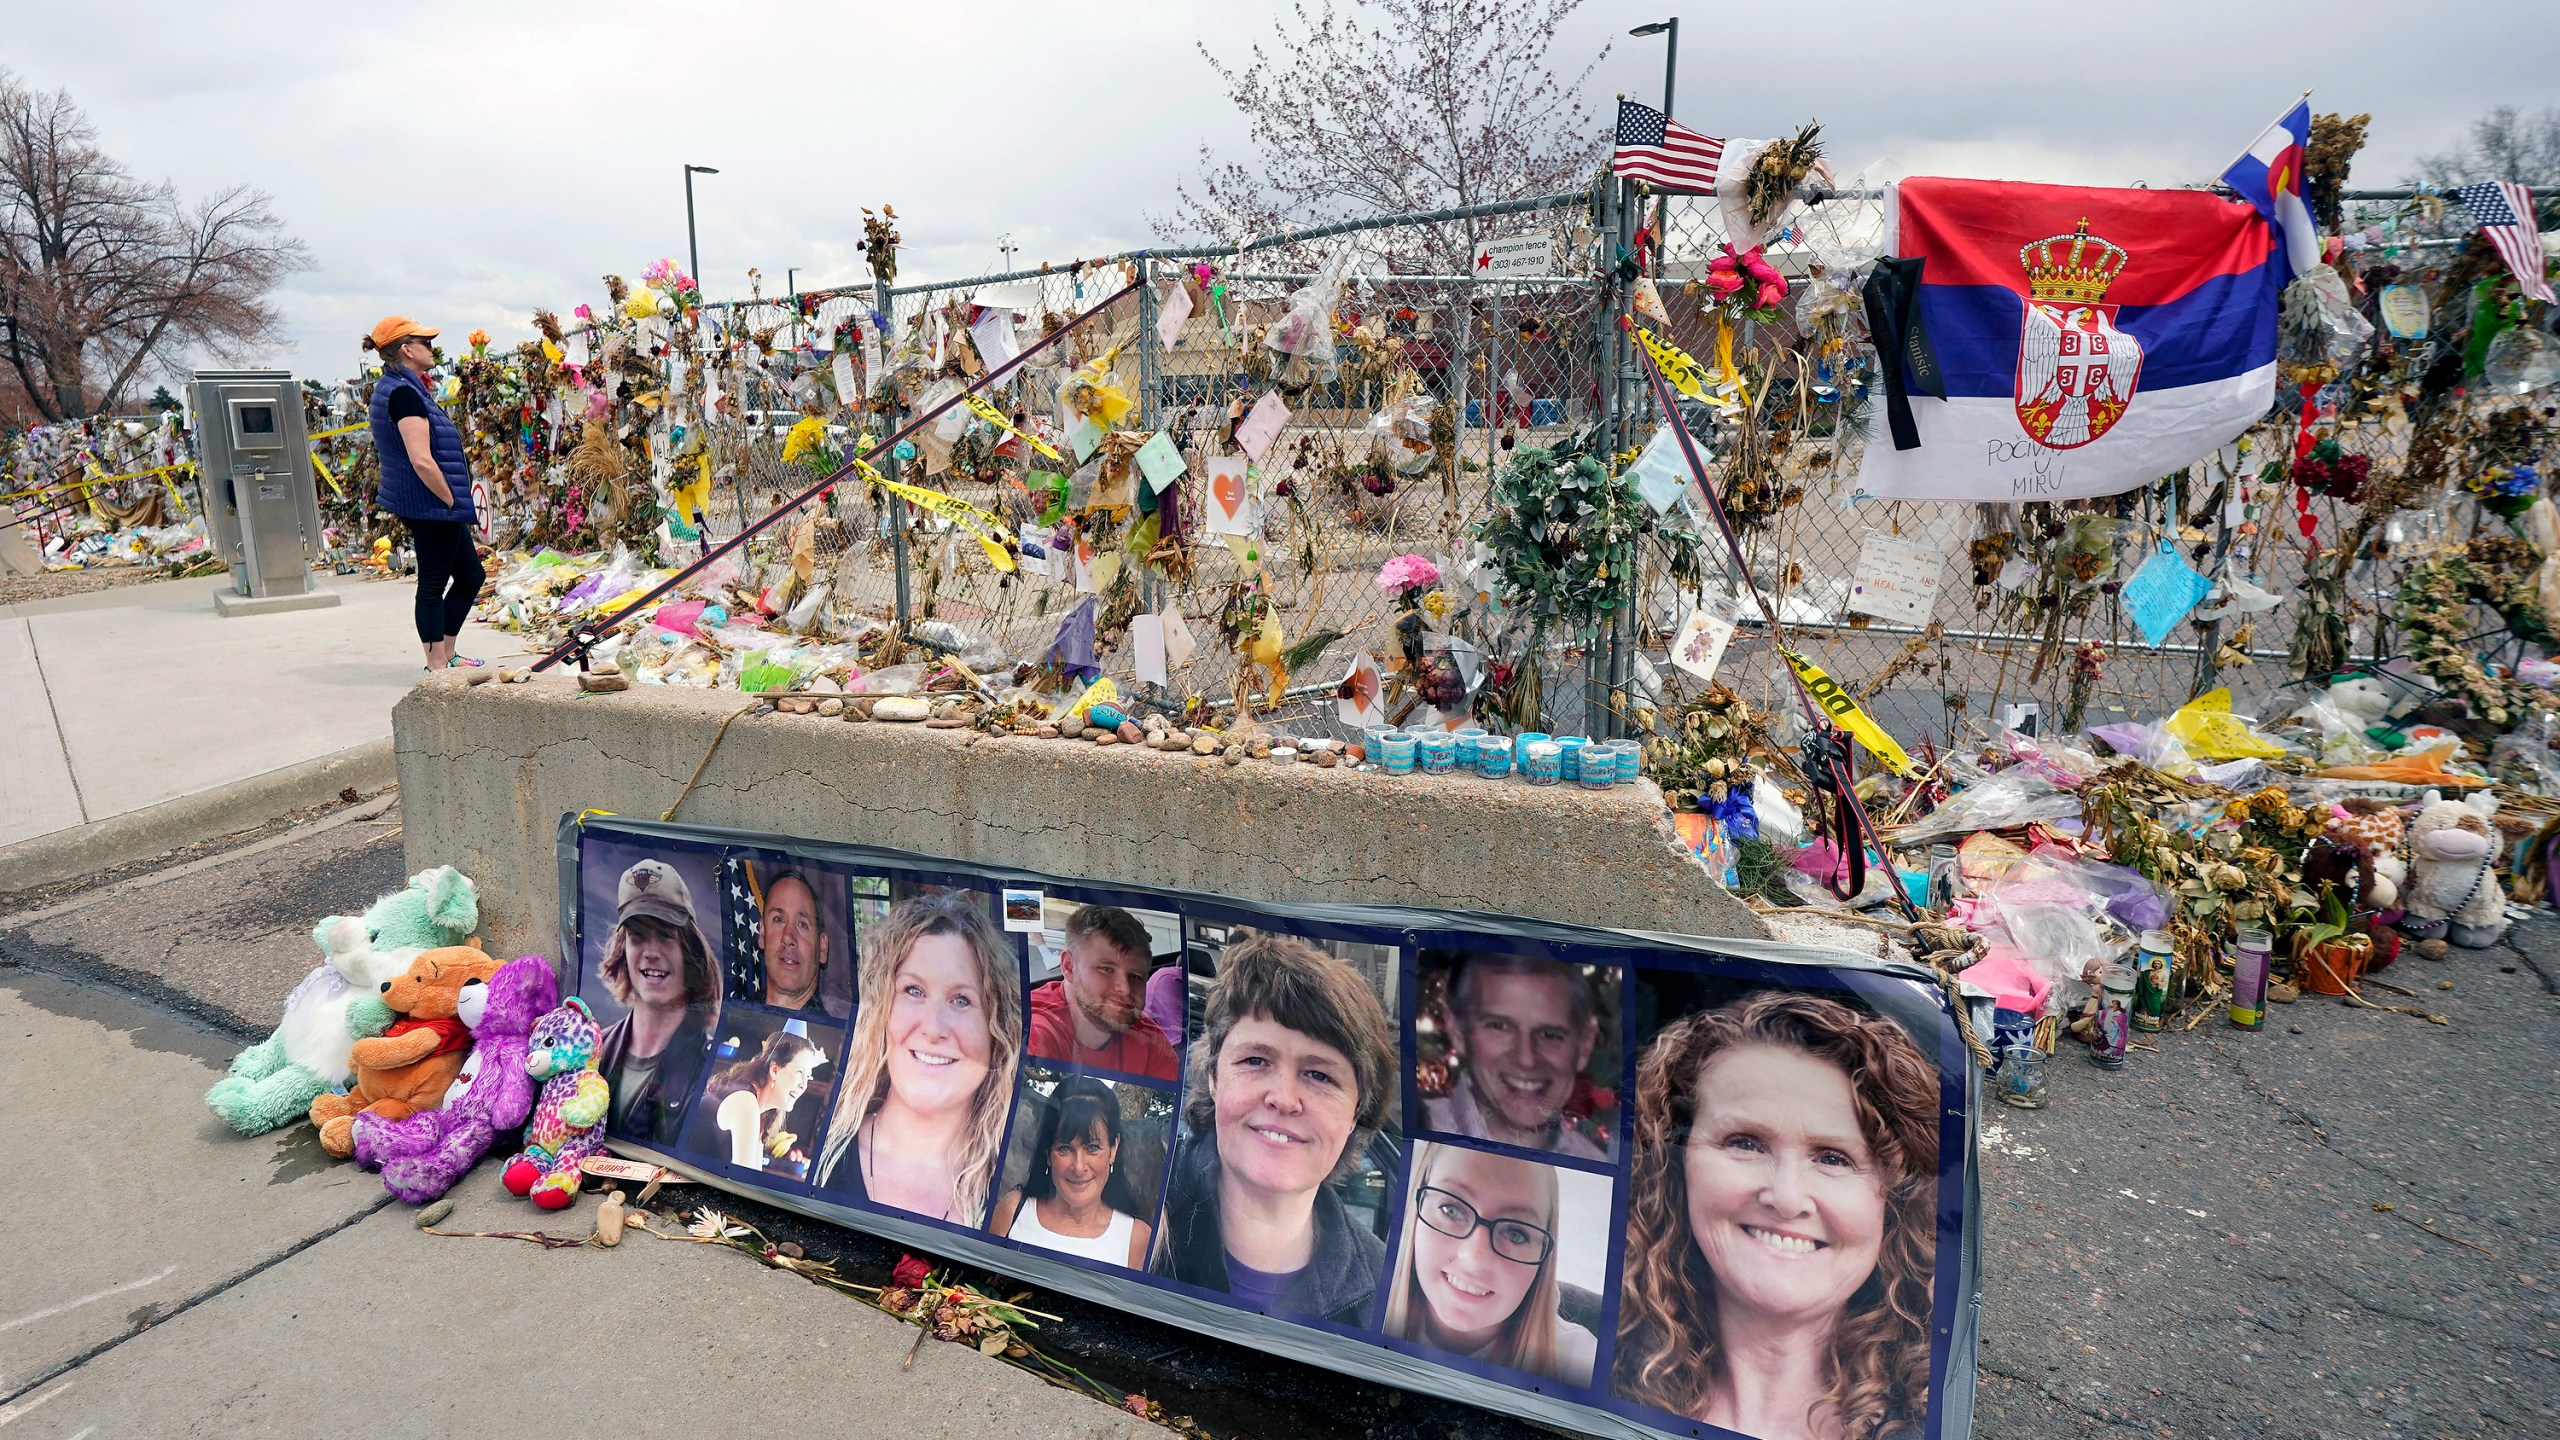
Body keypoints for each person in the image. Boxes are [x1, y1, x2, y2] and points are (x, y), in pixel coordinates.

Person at [1612, 991, 1940, 1440]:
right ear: (1675, 1166)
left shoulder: (1926, 1418)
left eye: (1834, 1158)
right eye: (1744, 1143)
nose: (1787, 1198)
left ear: (1895, 1202)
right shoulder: (1584, 1363)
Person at [1150, 933, 1398, 1325]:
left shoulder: (1392, 1299)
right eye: (1255, 1060)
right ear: (1214, 1076)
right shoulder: (1129, 1204)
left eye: (1319, 1075)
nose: (1283, 1098)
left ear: (1356, 1113)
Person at [815, 893, 1022, 1224]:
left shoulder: (1011, 1201)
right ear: (881, 1009)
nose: (933, 1028)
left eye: (961, 1000)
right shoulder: (819, 1151)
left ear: (997, 1031)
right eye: (914, 991)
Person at [1383, 1141, 1597, 1387]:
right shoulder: (1358, 1307)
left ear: (1544, 1259)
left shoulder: (1581, 1364)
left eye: (1516, 1234)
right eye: (1450, 1209)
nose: (1474, 1259)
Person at [363, 317, 483, 673]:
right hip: (429, 503)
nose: (431, 349)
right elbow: (421, 459)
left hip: (431, 502)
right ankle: (436, 664)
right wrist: (448, 498)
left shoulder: (403, 387)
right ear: (406, 349)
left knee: (471, 576)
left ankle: (446, 653)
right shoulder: (403, 394)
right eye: (425, 342)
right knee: (433, 582)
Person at [1425, 956, 1611, 1160]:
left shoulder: (1594, 1162)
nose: (1526, 1059)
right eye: (1500, 1026)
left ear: (1584, 1046)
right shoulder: (1410, 1131)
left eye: (1550, 1034)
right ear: (1457, 1032)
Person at [594, 859, 722, 1146]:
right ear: (622, 949)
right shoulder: (592, 1051)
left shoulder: (713, 1073)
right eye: (637, 937)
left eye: (665, 936)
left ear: (691, 952)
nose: (650, 952)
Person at [988, 1076, 1156, 1269]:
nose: (1078, 1166)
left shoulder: (1137, 1237)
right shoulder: (1013, 1211)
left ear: (1114, 1148)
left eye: (1092, 1148)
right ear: (1048, 1152)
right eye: (1065, 1149)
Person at [1027, 905, 1179, 1080]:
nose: (1126, 988)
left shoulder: (1150, 1039)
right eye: (1106, 969)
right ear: (1069, 966)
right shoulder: (1033, 1032)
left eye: (1135, 976)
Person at [699, 1029, 827, 1173]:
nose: (803, 1084)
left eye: (808, 1077)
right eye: (800, 1072)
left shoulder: (760, 1111)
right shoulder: (745, 1101)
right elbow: (744, 1181)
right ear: (774, 1070)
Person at [756, 869, 843, 1017]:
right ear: (762, 933)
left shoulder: (837, 1037)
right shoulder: (733, 1018)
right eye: (778, 920)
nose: (788, 937)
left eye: (802, 924)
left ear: (822, 947)